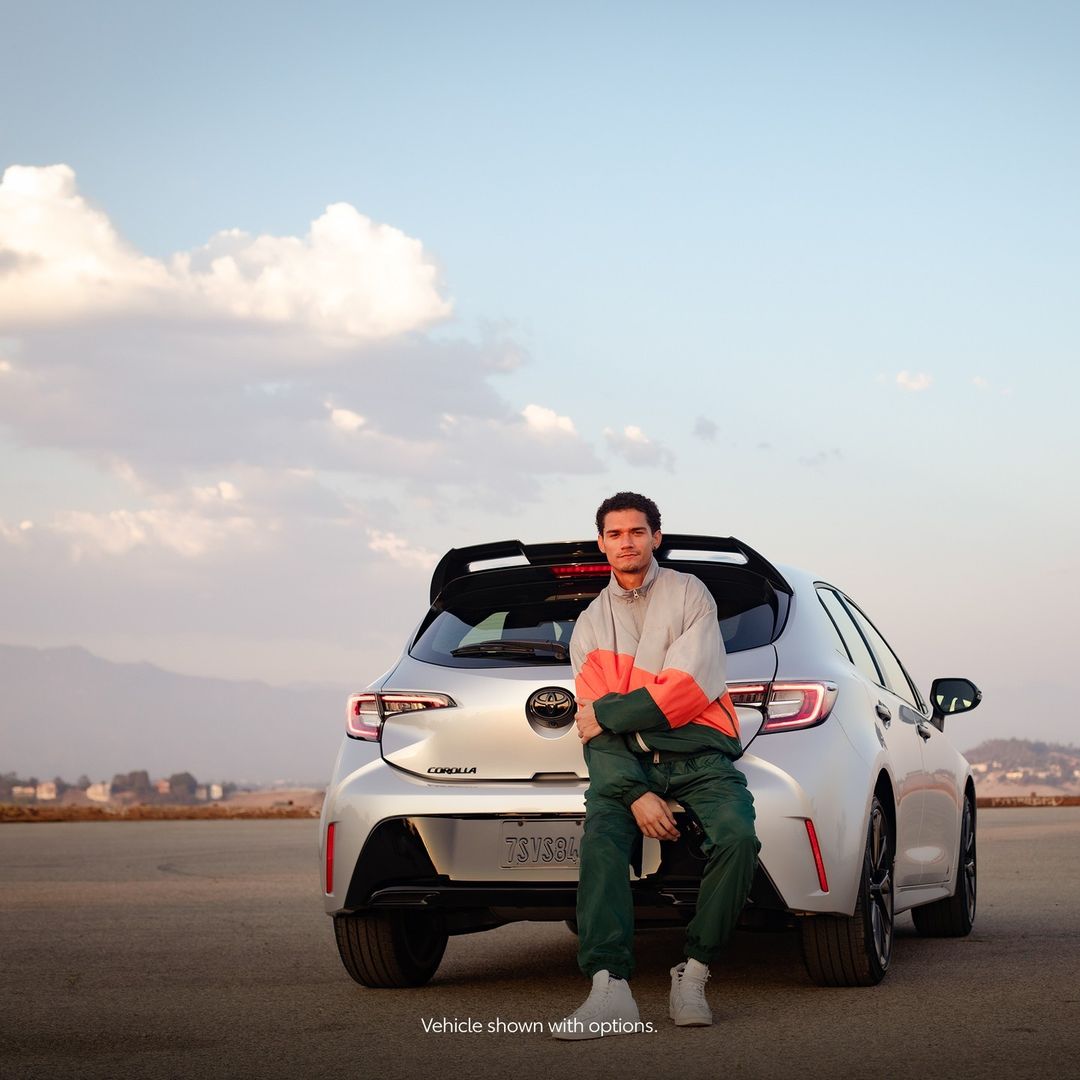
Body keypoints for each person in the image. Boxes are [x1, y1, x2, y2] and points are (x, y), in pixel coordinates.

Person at [551, 492, 760, 1040]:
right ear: (602, 543)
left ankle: (694, 971)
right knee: (601, 844)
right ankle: (609, 989)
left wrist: (609, 713)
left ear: (655, 538)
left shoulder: (690, 594)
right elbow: (595, 735)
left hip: (701, 758)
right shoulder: (590, 624)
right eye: (615, 534)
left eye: (637, 532)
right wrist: (635, 793)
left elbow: (687, 689)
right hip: (628, 768)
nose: (627, 542)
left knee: (738, 838)